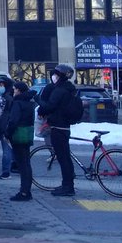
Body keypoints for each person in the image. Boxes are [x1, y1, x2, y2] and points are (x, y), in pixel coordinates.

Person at [37, 62, 79, 196]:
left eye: (55, 74)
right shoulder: (69, 89)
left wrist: (37, 100)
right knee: (65, 157)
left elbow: (49, 106)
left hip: (58, 126)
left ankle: (67, 187)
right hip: (65, 126)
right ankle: (68, 184)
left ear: (60, 76)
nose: (53, 76)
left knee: (63, 158)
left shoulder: (59, 90)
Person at [6, 81, 37, 201]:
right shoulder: (29, 102)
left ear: (19, 90)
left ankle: (24, 192)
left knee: (22, 165)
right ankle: (26, 190)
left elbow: (13, 120)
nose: (13, 91)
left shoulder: (17, 103)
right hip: (27, 134)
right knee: (26, 164)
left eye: (14, 89)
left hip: (18, 135)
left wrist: (7, 133)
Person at [0, 78, 14, 179]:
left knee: (6, 151)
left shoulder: (8, 99)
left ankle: (5, 171)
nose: (1, 87)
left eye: (2, 85)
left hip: (4, 128)